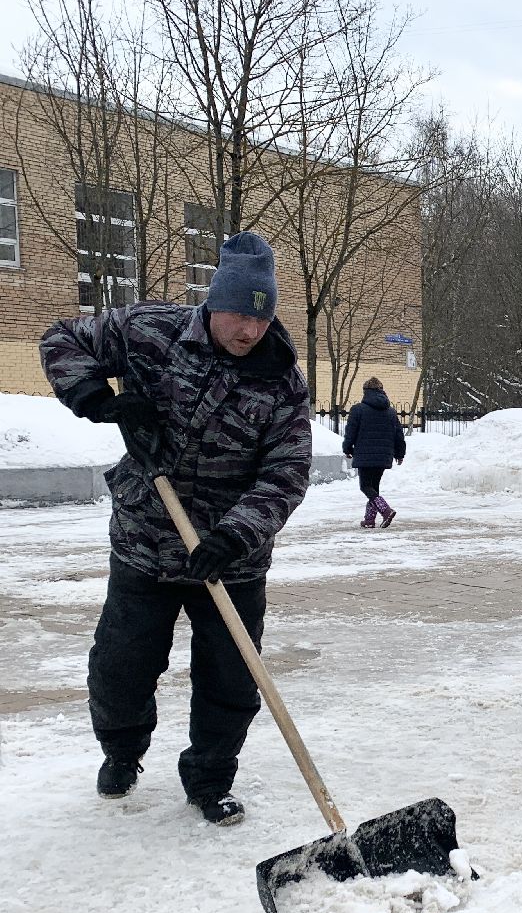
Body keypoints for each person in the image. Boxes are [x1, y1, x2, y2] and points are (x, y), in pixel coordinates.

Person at [39, 231, 311, 826]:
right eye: (239, 314)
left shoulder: (281, 380)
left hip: (231, 558)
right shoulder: (148, 331)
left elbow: (287, 474)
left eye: (261, 319)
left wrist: (235, 534)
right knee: (121, 664)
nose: (248, 331)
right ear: (215, 302)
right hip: (145, 541)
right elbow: (60, 338)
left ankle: (211, 780)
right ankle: (122, 752)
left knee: (233, 678)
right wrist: (95, 396)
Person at [342, 376, 406, 528]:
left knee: (365, 486)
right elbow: (399, 434)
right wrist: (400, 453)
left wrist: (347, 448)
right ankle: (369, 520)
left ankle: (385, 510)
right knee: (374, 487)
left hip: (364, 455)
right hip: (384, 456)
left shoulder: (358, 410)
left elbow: (350, 432)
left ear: (365, 392)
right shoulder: (391, 412)